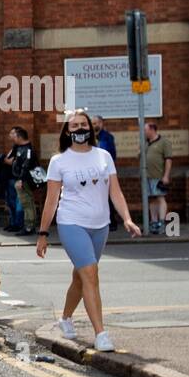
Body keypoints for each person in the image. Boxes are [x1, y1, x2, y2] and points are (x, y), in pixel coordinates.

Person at [37, 111, 142, 352]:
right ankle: (101, 334)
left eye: (84, 124)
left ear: (91, 128)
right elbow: (51, 201)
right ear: (67, 131)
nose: (80, 129)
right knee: (91, 273)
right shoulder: (59, 161)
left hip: (100, 225)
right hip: (71, 222)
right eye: (75, 125)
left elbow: (115, 191)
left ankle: (64, 318)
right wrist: (43, 234)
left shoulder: (103, 156)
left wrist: (126, 218)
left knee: (81, 276)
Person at [4, 126, 37, 233]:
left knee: (27, 203)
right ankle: (27, 226)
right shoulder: (18, 147)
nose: (13, 138)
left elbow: (26, 166)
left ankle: (29, 227)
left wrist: (21, 180)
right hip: (20, 180)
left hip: (24, 181)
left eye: (14, 136)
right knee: (25, 203)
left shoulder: (28, 150)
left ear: (20, 137)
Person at [143, 121, 173, 234]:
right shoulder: (145, 143)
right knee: (151, 199)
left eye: (145, 130)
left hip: (159, 176)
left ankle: (161, 222)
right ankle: (154, 222)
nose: (144, 133)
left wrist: (166, 176)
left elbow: (168, 159)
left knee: (160, 198)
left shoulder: (164, 142)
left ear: (152, 129)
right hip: (147, 177)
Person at [92, 115, 119, 231]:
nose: (95, 125)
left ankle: (112, 222)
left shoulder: (108, 137)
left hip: (105, 173)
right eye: (93, 123)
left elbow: (112, 155)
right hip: (92, 173)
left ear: (102, 123)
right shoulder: (89, 139)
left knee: (108, 197)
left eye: (97, 123)